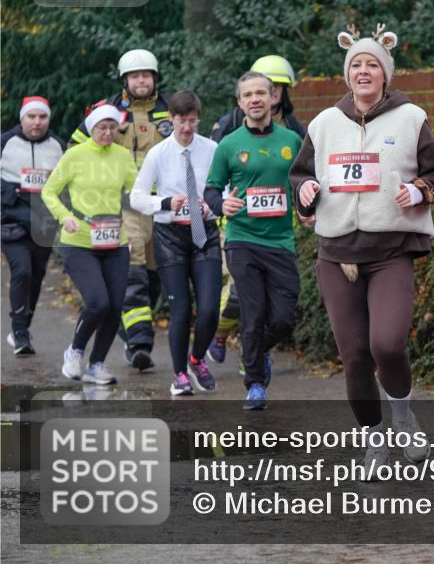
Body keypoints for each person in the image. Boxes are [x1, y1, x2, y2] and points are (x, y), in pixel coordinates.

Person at [290, 24, 434, 469]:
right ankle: (374, 437)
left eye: (372, 65)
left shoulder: (411, 118)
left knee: (387, 344)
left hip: (391, 251)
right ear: (348, 75)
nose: (364, 72)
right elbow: (301, 174)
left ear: (385, 74)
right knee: (355, 356)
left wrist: (418, 191)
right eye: (356, 65)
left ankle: (402, 418)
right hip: (336, 253)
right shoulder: (324, 123)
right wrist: (304, 190)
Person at [205, 72, 302, 410]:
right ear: (240, 102)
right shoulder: (229, 144)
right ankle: (255, 384)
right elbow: (211, 189)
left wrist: (308, 206)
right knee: (253, 311)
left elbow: (307, 181)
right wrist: (222, 205)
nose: (256, 99)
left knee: (283, 318)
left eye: (261, 92)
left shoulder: (292, 139)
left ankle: (256, 352)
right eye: (248, 95)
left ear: (272, 97)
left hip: (281, 242)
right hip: (241, 239)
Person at [71, 48, 171, 370]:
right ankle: (139, 344)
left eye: (146, 75)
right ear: (125, 80)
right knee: (134, 271)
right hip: (124, 207)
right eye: (135, 76)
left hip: (164, 207)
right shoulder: (108, 112)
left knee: (156, 277)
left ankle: (128, 329)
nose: (141, 81)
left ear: (155, 78)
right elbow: (77, 147)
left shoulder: (171, 111)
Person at [130, 91, 221, 396]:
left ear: (198, 119)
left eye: (192, 121)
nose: (187, 128)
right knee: (181, 309)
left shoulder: (212, 149)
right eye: (181, 121)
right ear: (170, 119)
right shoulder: (158, 153)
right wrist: (167, 201)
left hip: (204, 233)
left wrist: (213, 204)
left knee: (209, 309)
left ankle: (197, 359)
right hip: (170, 236)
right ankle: (179, 373)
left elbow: (226, 187)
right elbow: (137, 197)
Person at [42, 104, 137, 385]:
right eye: (101, 128)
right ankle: (75, 351)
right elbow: (49, 191)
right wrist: (65, 217)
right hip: (79, 239)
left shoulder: (122, 156)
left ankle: (97, 365)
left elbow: (134, 193)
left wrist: (133, 228)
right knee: (98, 302)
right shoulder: (75, 155)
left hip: (115, 240)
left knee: (115, 305)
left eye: (112, 127)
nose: (107, 133)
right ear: (91, 129)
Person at [1, 96, 65, 355]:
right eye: (32, 117)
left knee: (37, 275)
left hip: (44, 221)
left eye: (42, 117)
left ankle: (22, 329)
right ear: (22, 118)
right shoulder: (5, 142)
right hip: (11, 220)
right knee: (23, 271)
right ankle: (19, 332)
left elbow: (69, 183)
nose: (37, 122)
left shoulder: (59, 146)